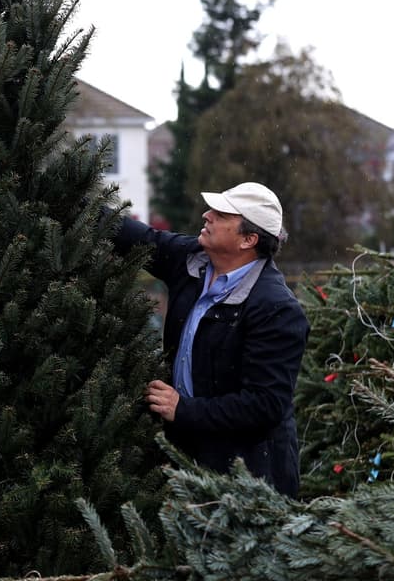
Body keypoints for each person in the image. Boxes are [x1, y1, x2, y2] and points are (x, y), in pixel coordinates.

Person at [113, 182, 309, 497]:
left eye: (220, 214)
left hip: (247, 478)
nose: (206, 216)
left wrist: (185, 410)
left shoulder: (275, 309)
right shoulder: (193, 260)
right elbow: (141, 239)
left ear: (249, 239)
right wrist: (72, 194)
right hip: (185, 456)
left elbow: (265, 405)